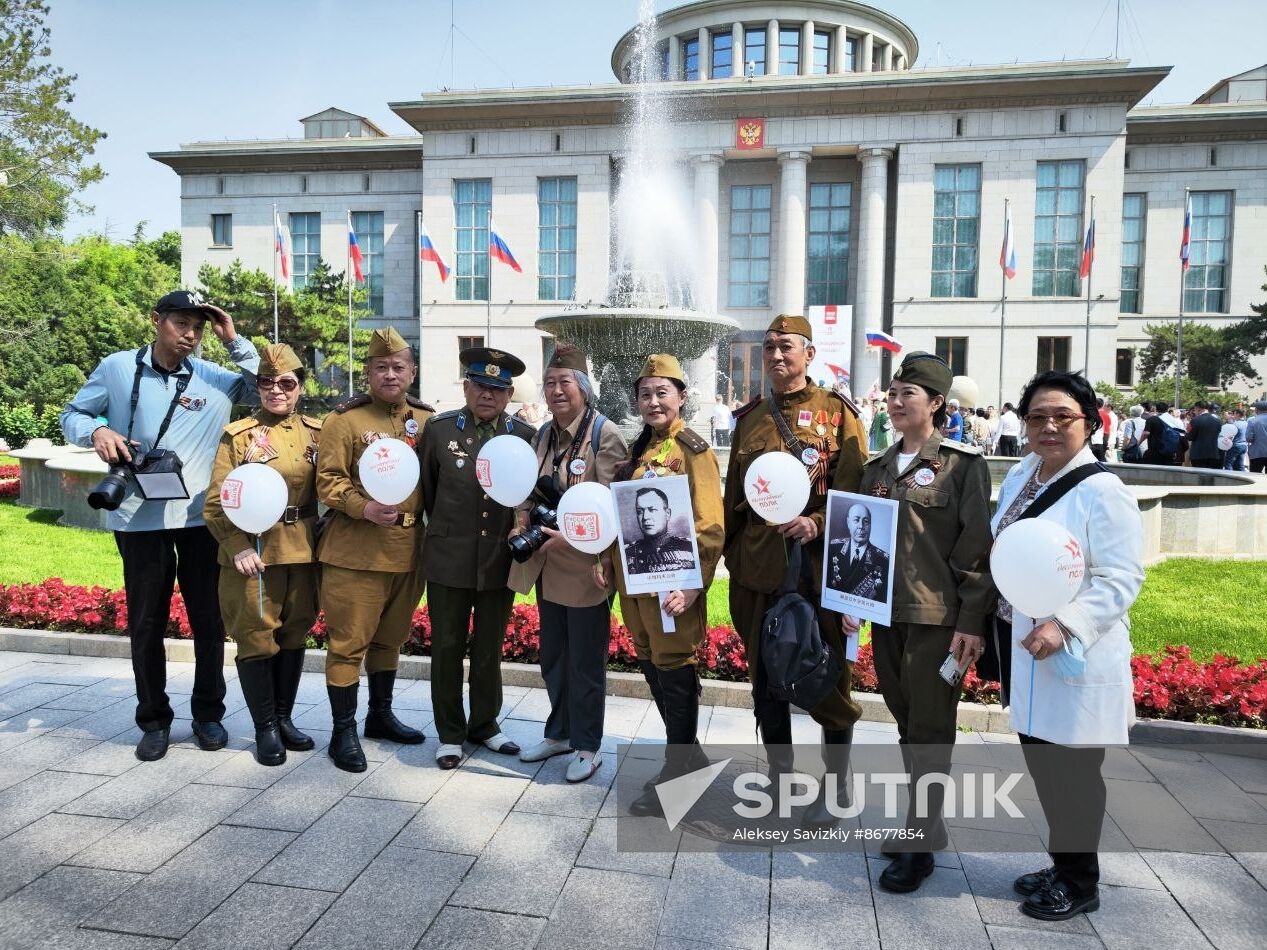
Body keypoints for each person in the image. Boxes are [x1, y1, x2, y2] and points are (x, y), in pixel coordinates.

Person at [60, 290, 259, 762]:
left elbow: (265, 388)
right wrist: (98, 431)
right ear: (156, 321)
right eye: (181, 323)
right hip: (137, 517)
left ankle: (209, 715)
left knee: (209, 622)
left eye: (199, 326)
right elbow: (73, 414)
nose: (190, 334)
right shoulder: (115, 368)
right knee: (146, 622)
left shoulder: (213, 376)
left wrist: (233, 340)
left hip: (199, 520)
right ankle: (153, 719)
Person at [991, 370, 1144, 922]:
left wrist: (1065, 624)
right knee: (1045, 767)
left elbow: (1121, 578)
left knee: (1074, 774)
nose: (1048, 426)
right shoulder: (1020, 476)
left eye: (1063, 417)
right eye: (1037, 417)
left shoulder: (1104, 492)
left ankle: (1081, 882)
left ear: (1092, 422)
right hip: (1028, 652)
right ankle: (1063, 861)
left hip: (1075, 652)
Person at [857, 351, 994, 893]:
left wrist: (971, 621)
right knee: (905, 720)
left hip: (938, 620)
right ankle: (924, 824)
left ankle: (919, 844)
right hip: (886, 615)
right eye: (891, 394)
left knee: (931, 729)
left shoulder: (963, 466)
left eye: (906, 394)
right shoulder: (877, 468)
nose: (894, 402)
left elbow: (977, 549)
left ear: (936, 403)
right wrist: (853, 605)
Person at [724, 315, 868, 830]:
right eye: (768, 348)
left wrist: (817, 522)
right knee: (766, 681)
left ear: (808, 354)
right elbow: (732, 505)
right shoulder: (750, 419)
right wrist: (734, 559)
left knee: (829, 679)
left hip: (816, 574)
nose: (776, 356)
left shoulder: (838, 415)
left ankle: (837, 785)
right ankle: (781, 779)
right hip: (757, 574)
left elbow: (857, 499)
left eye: (786, 347)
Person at [605, 354, 722, 817]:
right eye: (645, 393)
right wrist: (605, 560)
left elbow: (710, 526)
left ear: (681, 397)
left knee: (674, 666)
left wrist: (694, 586)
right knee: (652, 662)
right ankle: (688, 759)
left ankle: (681, 776)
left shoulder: (694, 451)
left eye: (662, 392)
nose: (653, 401)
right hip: (637, 584)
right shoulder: (640, 449)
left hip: (673, 585)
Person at [509, 343, 628, 782]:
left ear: (583, 388)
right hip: (545, 563)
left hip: (585, 568)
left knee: (584, 662)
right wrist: (521, 518)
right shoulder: (542, 434)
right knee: (553, 657)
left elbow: (616, 507)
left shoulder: (604, 435)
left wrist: (579, 539)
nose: (557, 391)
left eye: (565, 383)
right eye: (549, 383)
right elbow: (527, 486)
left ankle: (587, 744)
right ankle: (558, 731)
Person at [317, 327, 433, 772]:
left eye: (398, 367)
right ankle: (341, 732)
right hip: (356, 552)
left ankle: (380, 716)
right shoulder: (344, 421)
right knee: (349, 644)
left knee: (391, 640)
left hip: (408, 551)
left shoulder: (426, 421)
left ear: (412, 372)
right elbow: (327, 480)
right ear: (367, 371)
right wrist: (362, 508)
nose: (390, 374)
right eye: (381, 367)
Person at [419, 347, 536, 770]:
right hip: (449, 555)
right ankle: (450, 733)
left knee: (489, 647)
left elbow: (526, 496)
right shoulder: (438, 430)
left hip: (498, 559)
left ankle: (485, 725)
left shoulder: (524, 435)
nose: (487, 395)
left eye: (497, 389)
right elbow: (428, 493)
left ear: (509, 396)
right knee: (447, 646)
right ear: (466, 387)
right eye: (480, 386)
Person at [203, 343, 319, 766]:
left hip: (304, 551)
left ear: (299, 388)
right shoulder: (239, 436)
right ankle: (265, 727)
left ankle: (285, 718)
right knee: (256, 637)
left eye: (286, 383)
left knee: (294, 633)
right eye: (266, 382)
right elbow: (216, 503)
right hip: (255, 550)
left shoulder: (317, 432)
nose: (276, 390)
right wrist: (235, 547)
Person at [826, 503, 889, 602]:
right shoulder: (833, 548)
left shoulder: (883, 560)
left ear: (870, 525)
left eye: (866, 521)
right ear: (848, 523)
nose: (861, 526)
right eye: (856, 520)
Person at [1187, 401, 1223, 469]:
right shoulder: (1218, 421)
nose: (1194, 412)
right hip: (1213, 453)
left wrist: (1186, 434)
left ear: (1198, 408)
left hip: (1198, 454)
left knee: (1199, 477)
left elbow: (1190, 437)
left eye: (1194, 409)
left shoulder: (1195, 420)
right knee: (1211, 477)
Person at [1247, 402, 1267, 473]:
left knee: (1255, 476)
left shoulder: (1252, 421)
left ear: (1256, 410)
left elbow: (1248, 438)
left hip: (1257, 453)